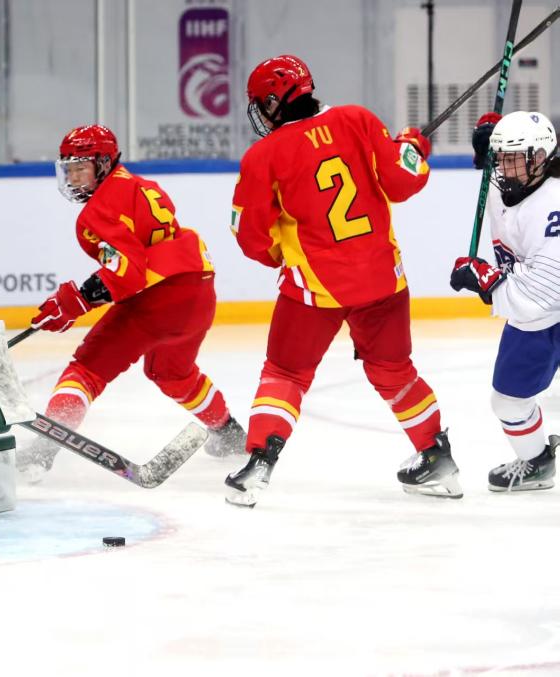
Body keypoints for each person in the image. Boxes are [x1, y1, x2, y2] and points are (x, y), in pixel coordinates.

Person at [226, 54, 459, 507]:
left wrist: (278, 255)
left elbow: (250, 236)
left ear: (273, 102)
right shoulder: (357, 119)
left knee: (285, 372)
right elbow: (404, 182)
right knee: (394, 371)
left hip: (314, 289)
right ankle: (438, 457)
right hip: (382, 281)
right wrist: (411, 148)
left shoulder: (263, 156)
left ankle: (258, 465)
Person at [15, 124, 245, 482]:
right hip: (198, 289)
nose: (73, 178)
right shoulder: (141, 185)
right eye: (69, 169)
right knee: (172, 373)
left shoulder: (96, 212)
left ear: (104, 164)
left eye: (81, 168)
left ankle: (44, 450)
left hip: (157, 300)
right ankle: (229, 432)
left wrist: (77, 300)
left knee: (86, 370)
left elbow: (128, 272)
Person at [449, 110, 560, 492]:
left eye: (514, 158)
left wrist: (488, 281)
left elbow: (545, 291)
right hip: (539, 321)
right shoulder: (512, 180)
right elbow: (496, 172)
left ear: (541, 157)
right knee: (508, 401)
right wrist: (490, 139)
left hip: (549, 310)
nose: (504, 168)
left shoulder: (552, 205)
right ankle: (537, 464)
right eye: (501, 158)